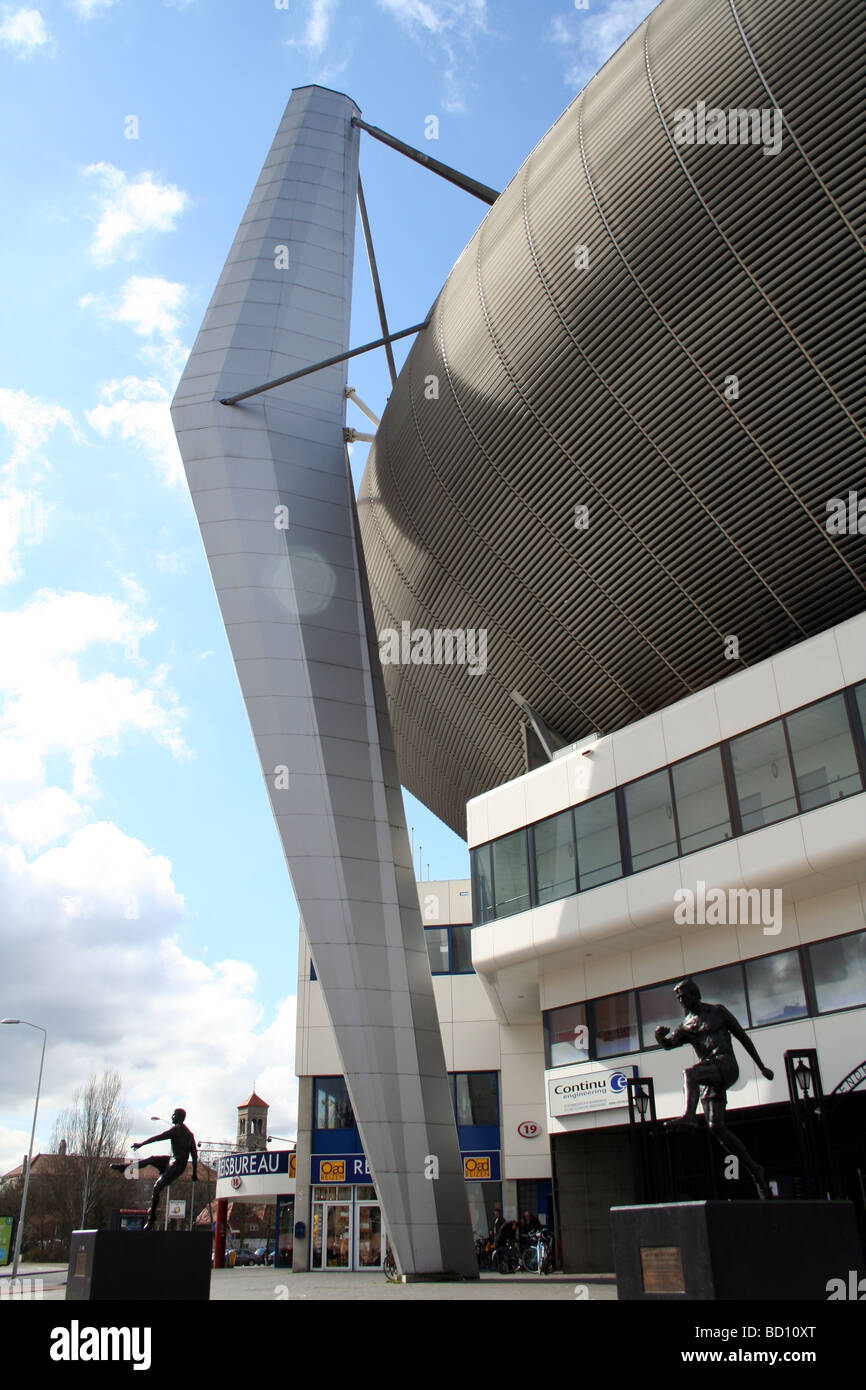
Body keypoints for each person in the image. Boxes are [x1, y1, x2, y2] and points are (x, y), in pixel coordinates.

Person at [655, 979, 774, 1198]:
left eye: (684, 995)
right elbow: (669, 1045)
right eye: (678, 997)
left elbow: (742, 1036)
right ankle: (755, 1170)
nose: (681, 1000)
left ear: (695, 994)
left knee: (690, 1073)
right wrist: (659, 1038)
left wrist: (761, 1066)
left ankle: (689, 1117)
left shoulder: (717, 1012)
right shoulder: (686, 1025)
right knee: (715, 1126)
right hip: (710, 1074)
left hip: (726, 1065)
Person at [128, 1108, 198, 1230]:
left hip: (177, 1165)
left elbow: (158, 1138)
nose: (172, 1116)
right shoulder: (189, 1134)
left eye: (174, 1115)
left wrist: (194, 1173)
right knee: (151, 1159)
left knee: (156, 1187)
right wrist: (194, 1173)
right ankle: (128, 1168)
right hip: (171, 1160)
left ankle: (151, 1219)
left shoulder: (178, 1131)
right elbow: (195, 1155)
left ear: (179, 1117)